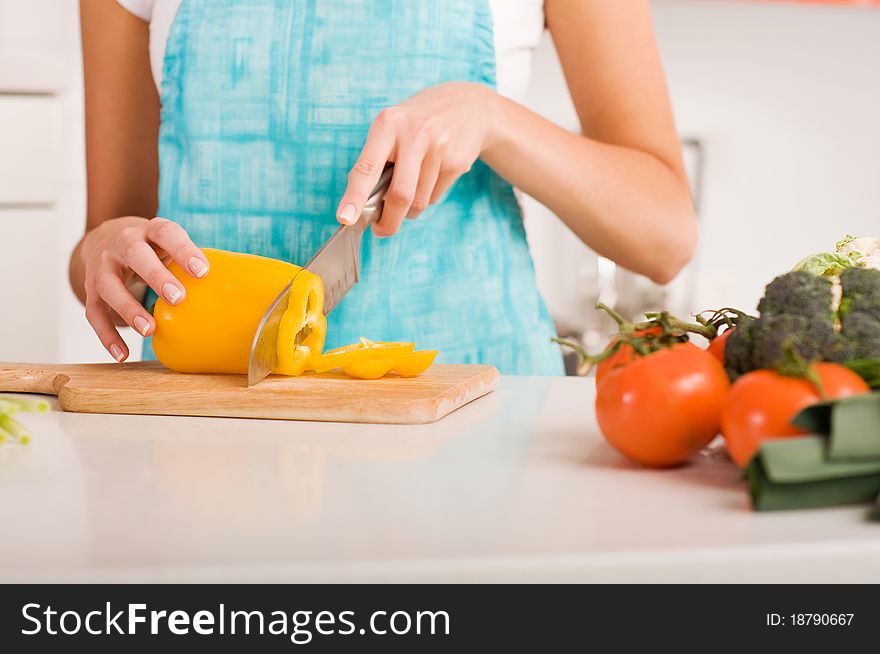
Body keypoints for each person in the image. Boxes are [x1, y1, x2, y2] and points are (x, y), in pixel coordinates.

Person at [70, 0, 697, 375]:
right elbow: (103, 243)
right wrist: (109, 247)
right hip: (207, 437)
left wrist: (495, 119)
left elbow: (663, 234)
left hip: (471, 435)